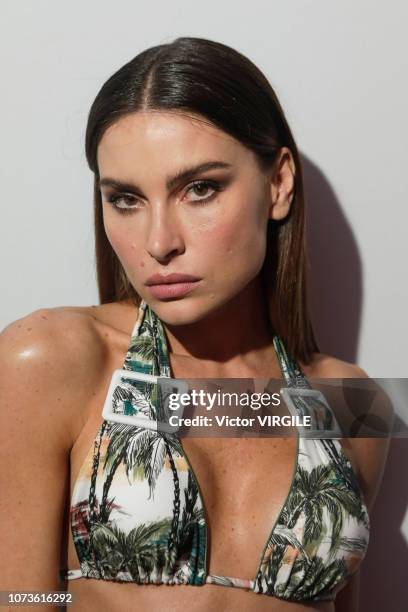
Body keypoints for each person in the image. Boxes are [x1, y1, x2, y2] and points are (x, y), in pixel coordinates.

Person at [0, 36, 391, 612]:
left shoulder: (356, 402)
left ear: (278, 183)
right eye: (126, 199)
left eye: (200, 189)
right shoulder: (52, 358)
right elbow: (20, 597)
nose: (158, 243)